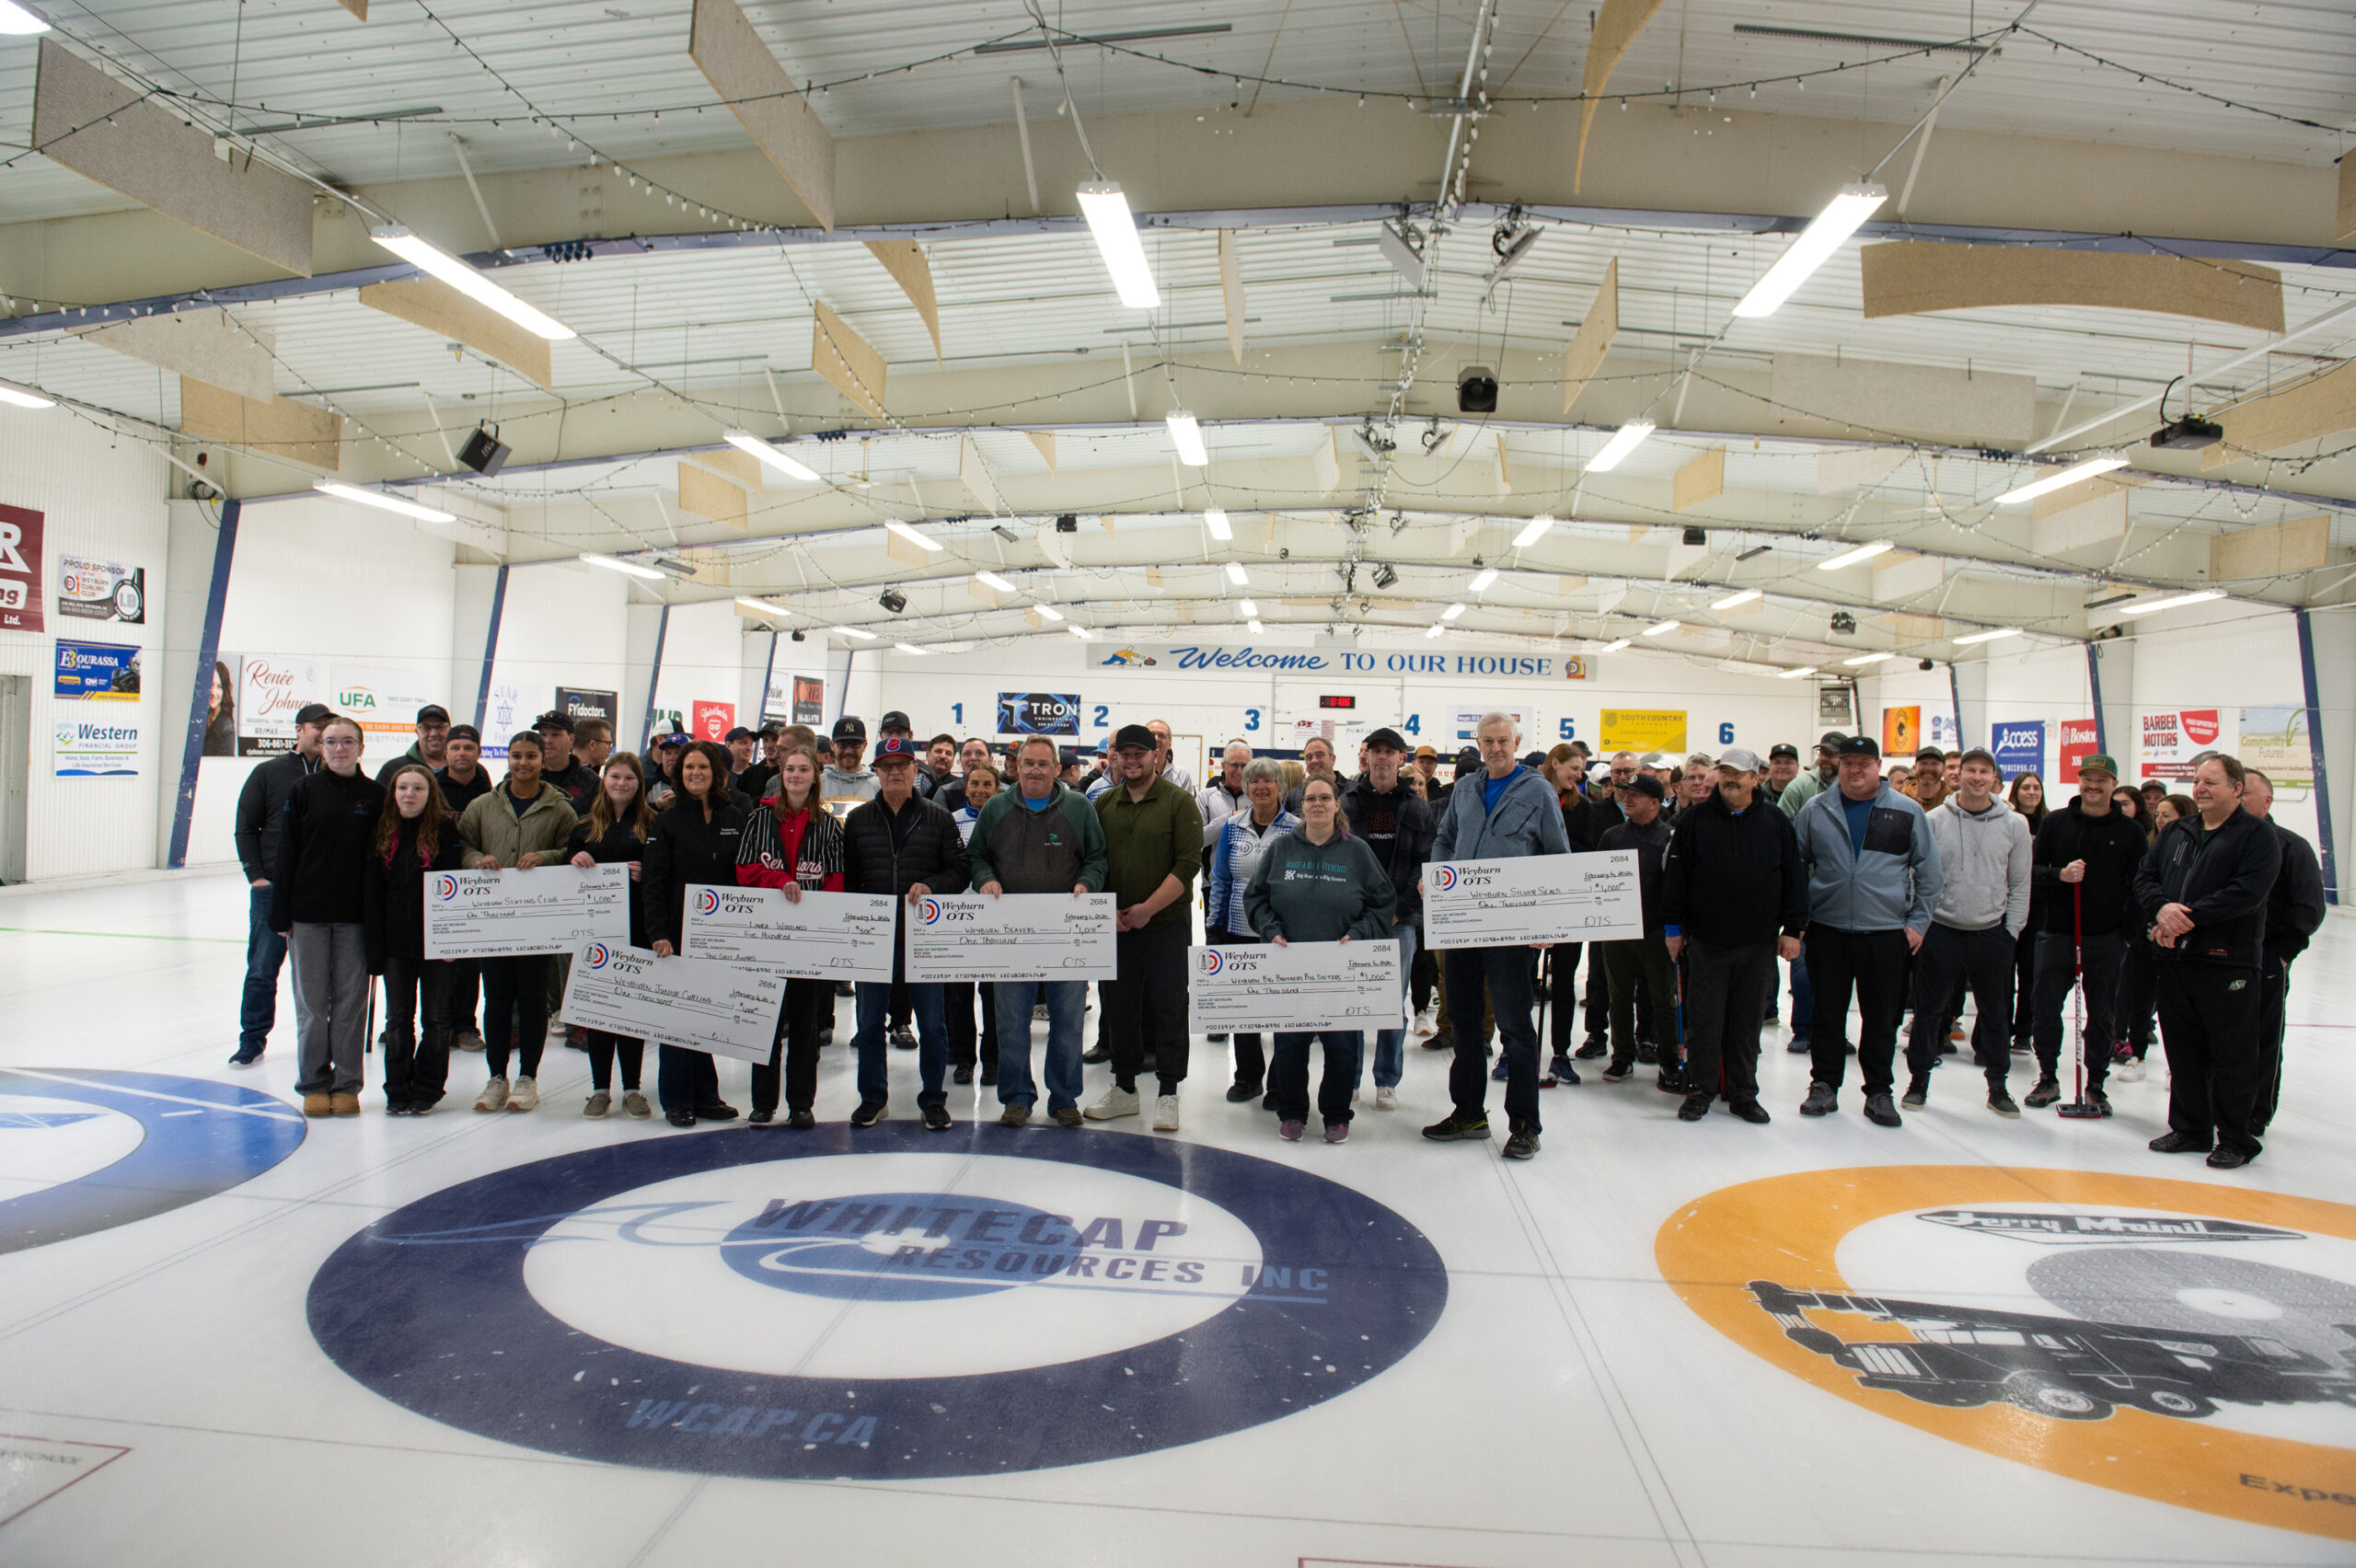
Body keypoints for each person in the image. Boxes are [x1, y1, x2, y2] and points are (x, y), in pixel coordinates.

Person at [1422, 711, 1572, 1160]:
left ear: (1517, 742)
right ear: (1479, 743)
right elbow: (1445, 839)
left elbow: (1557, 857)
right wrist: (1437, 876)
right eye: (1487, 741)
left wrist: (1549, 920)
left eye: (1503, 740)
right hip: (1463, 924)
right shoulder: (1465, 788)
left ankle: (1525, 1125)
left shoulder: (1538, 791)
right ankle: (1469, 1113)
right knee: (1465, 1022)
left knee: (1515, 1026)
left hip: (1512, 929)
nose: (1495, 748)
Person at [2135, 754, 2282, 1170]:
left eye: (2211, 782)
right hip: (2174, 959)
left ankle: (2235, 1138)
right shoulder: (2177, 831)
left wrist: (2185, 918)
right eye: (2197, 781)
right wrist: (2161, 909)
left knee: (2232, 1056)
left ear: (2236, 788)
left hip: (2227, 963)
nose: (2200, 788)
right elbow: (2145, 877)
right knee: (2182, 1049)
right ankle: (2191, 1128)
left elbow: (2246, 893)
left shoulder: (2257, 836)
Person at [1791, 735, 1943, 1127]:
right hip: (1828, 930)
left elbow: (1930, 873)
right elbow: (1795, 866)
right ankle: (1823, 1085)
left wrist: (1918, 924)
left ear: (1879, 767)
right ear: (1838, 766)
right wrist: (1799, 920)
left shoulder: (1906, 811)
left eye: (1864, 763)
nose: (1855, 770)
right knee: (1826, 1014)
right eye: (1848, 763)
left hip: (1886, 933)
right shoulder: (1816, 809)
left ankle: (1879, 1091)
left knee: (1881, 1017)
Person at [1244, 776, 1396, 1143]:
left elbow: (1383, 901)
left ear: (1336, 805)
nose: (1317, 804)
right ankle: (1292, 1112)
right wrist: (1270, 929)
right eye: (1311, 798)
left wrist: (1359, 933)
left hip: (1340, 968)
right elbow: (1255, 898)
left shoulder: (1357, 851)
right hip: (1290, 965)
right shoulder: (1281, 849)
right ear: (1302, 807)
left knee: (1342, 1047)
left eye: (1325, 798)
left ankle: (1337, 1115)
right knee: (1290, 1046)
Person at [968, 738, 1109, 1127]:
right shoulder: (996, 808)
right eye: (1028, 763)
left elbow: (1097, 857)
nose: (1034, 770)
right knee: (1011, 1021)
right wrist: (985, 878)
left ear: (1056, 769)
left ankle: (1063, 1097)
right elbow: (977, 855)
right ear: (1016, 765)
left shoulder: (1078, 808)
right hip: (1010, 933)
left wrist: (1087, 883)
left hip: (1065, 931)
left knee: (1068, 1021)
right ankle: (1016, 1097)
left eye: (1043, 764)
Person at [1660, 748, 1806, 1123]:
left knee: (1747, 1023)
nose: (1730, 779)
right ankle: (1701, 1090)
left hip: (1758, 944)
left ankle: (1743, 1094)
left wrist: (1793, 930)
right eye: (1725, 772)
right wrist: (1673, 928)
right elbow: (1676, 878)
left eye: (1739, 773)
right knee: (1705, 1022)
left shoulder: (1776, 822)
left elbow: (1794, 877)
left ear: (1756, 777)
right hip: (1706, 941)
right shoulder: (1694, 821)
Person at [837, 735, 969, 1127]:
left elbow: (960, 870)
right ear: (876, 772)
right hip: (874, 938)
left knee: (932, 1025)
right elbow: (848, 881)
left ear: (915, 769)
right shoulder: (858, 820)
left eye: (902, 765)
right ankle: (873, 1098)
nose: (895, 772)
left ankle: (933, 1099)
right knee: (868, 1024)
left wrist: (932, 885)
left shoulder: (938, 818)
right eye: (887, 766)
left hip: (923, 939)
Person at [1900, 748, 2032, 1115]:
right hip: (1940, 930)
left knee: (1995, 1015)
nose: (1976, 777)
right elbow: (1915, 875)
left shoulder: (2016, 824)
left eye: (1984, 772)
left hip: (1992, 933)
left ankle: (1998, 1087)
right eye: (1970, 770)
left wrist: (2011, 931)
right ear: (1957, 775)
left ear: (1994, 778)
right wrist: (1919, 922)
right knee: (1928, 1012)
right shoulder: (1934, 820)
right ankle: (1918, 1082)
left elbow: (2020, 883)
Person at [456, 730, 579, 1113]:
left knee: (532, 999)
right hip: (493, 919)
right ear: (507, 759)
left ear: (543, 760)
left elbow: (573, 851)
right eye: (516, 756)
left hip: (537, 921)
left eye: (530, 756)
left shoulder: (561, 809)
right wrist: (477, 860)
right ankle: (496, 1076)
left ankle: (528, 1077)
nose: (522, 763)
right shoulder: (482, 805)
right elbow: (463, 845)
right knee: (495, 999)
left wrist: (547, 856)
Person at [1089, 723, 1204, 1129]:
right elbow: (1094, 860)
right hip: (1117, 929)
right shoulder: (1105, 803)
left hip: (1166, 926)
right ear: (1115, 757)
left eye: (1140, 753)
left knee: (1170, 1007)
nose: (1132, 761)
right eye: (1125, 754)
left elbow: (1188, 865)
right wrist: (1107, 911)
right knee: (1119, 1008)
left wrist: (1147, 910)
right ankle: (1124, 1088)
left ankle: (1168, 1092)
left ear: (1157, 755)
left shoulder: (1179, 802)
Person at [270, 715, 385, 1116]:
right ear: (322, 747)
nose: (340, 748)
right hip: (308, 915)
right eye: (332, 741)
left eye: (348, 741)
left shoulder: (376, 795)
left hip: (355, 917)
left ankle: (348, 1083)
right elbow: (286, 852)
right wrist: (281, 912)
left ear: (361, 748)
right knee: (312, 1005)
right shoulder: (303, 790)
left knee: (351, 1003)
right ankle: (314, 1082)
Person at [2026, 754, 2146, 1111]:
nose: (2093, 786)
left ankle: (2096, 1084)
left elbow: (2142, 885)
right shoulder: (2056, 823)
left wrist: (2127, 935)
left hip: (2106, 938)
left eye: (2101, 780)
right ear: (2079, 781)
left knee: (2102, 1015)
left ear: (2113, 784)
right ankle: (2047, 1077)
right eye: (2087, 779)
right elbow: (2033, 871)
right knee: (2045, 1009)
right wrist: (2060, 875)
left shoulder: (2130, 832)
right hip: (2057, 934)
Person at [733, 743, 844, 1128]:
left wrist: (818, 920)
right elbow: (745, 870)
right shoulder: (758, 819)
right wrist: (779, 879)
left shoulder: (829, 826)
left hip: (808, 942)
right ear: (781, 776)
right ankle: (763, 1102)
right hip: (765, 939)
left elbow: (835, 881)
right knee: (765, 1021)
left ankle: (801, 1103)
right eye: (790, 769)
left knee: (804, 1026)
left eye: (803, 769)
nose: (796, 775)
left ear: (815, 777)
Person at [643, 739, 747, 1126]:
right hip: (676, 935)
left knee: (705, 1016)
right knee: (676, 1018)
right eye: (689, 767)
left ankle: (705, 1096)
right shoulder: (667, 821)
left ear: (716, 773)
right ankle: (676, 1099)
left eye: (703, 766)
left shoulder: (734, 816)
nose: (695, 773)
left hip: (720, 937)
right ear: (678, 773)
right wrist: (658, 932)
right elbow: (654, 882)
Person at [229, 701, 327, 1066]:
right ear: (299, 730)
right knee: (262, 968)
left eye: (329, 727)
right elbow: (245, 827)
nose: (323, 734)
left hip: (319, 891)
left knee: (321, 974)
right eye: (317, 727)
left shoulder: (339, 775)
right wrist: (256, 876)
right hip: (272, 889)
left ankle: (322, 1042)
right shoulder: (268, 772)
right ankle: (252, 1039)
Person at [1343, 728, 1435, 1109]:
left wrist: (1401, 909)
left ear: (1401, 758)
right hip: (1353, 920)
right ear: (1366, 756)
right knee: (1349, 1002)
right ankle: (1348, 1079)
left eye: (1389, 751)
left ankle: (1386, 1081)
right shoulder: (1346, 803)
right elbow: (1336, 858)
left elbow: (1425, 863)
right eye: (1376, 750)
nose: (1382, 757)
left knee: (1391, 1004)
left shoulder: (1418, 808)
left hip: (1400, 921)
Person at [364, 763, 461, 1115]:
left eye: (418, 788)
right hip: (395, 945)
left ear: (430, 793)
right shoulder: (381, 831)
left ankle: (428, 1086)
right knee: (398, 1021)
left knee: (436, 1019)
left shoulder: (445, 830)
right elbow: (371, 893)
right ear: (393, 792)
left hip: (435, 944)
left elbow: (455, 886)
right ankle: (397, 1087)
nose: (409, 794)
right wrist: (375, 948)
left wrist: (452, 940)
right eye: (403, 787)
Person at [566, 753, 657, 1121]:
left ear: (639, 783)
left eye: (629, 778)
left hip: (638, 929)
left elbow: (664, 872)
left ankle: (632, 1088)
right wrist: (575, 863)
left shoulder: (652, 823)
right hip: (597, 933)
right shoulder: (584, 827)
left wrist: (646, 872)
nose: (622, 783)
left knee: (631, 1011)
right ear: (604, 780)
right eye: (615, 776)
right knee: (600, 1011)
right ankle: (600, 1089)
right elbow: (565, 878)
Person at [1205, 757, 1299, 1106]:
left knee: (1283, 1012)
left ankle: (1280, 1083)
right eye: (1254, 781)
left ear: (1280, 787)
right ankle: (1247, 1078)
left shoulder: (1296, 828)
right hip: (1237, 928)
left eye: (1268, 780)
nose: (1261, 787)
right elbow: (1221, 879)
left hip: (1281, 933)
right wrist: (1214, 926)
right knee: (1244, 1011)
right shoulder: (1232, 827)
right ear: (1246, 788)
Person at [2237, 771, 2325, 1137]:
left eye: (2246, 793)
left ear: (2267, 801)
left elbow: (2309, 909)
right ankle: (2216, 1106)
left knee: (2262, 1036)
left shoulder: (2291, 847)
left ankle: (2255, 1113)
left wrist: (2284, 954)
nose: (2239, 799)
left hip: (2266, 957)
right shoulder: (2219, 842)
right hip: (2220, 956)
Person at [1597, 774, 1680, 1090]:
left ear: (1655, 803)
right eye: (1625, 793)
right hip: (1617, 930)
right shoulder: (1612, 836)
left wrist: (1675, 929)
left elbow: (1676, 886)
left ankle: (1669, 1060)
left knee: (1663, 998)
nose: (1627, 799)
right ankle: (1622, 1056)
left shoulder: (1670, 838)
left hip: (1656, 931)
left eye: (1635, 795)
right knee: (1618, 996)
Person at [943, 760, 1003, 1087]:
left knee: (993, 994)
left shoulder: (1005, 819)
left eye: (987, 784)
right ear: (966, 788)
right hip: (959, 917)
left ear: (997, 789)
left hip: (995, 917)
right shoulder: (951, 821)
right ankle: (963, 1058)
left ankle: (992, 1060)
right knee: (959, 995)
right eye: (975, 784)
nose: (980, 790)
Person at [2004, 771, 2050, 1050]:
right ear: (2016, 792)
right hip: (2007, 905)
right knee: (2004, 972)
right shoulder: (2007, 821)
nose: (2032, 792)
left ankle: (2024, 1031)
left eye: (2036, 787)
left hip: (2039, 908)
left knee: (2031, 972)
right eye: (2026, 788)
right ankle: (2001, 1027)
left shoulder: (2049, 824)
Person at [536, 711, 599, 815]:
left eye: (555, 735)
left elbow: (599, 819)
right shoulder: (526, 776)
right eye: (543, 735)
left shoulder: (589, 780)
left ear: (571, 739)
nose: (547, 740)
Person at [374, 703, 450, 786]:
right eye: (426, 728)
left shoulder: (458, 767)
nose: (433, 734)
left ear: (450, 730)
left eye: (440, 727)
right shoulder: (394, 769)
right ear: (417, 732)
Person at [1197, 742, 1252, 847]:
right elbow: (1196, 840)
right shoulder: (1205, 797)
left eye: (1244, 766)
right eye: (1234, 765)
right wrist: (1231, 817)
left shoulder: (1256, 799)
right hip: (1215, 859)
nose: (1239, 772)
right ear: (1223, 766)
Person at [823, 716, 878, 815]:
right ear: (832, 745)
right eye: (842, 745)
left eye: (855, 744)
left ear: (865, 745)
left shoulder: (878, 787)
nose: (848, 751)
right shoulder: (817, 784)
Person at [1280, 735, 1345, 814]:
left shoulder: (1353, 792)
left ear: (1332, 759)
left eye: (1320, 755)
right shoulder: (1293, 795)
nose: (1314, 760)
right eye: (1309, 757)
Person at [202, 659, 237, 756]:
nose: (214, 692)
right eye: (211, 685)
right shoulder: (204, 715)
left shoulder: (226, 728)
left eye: (219, 686)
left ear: (225, 690)